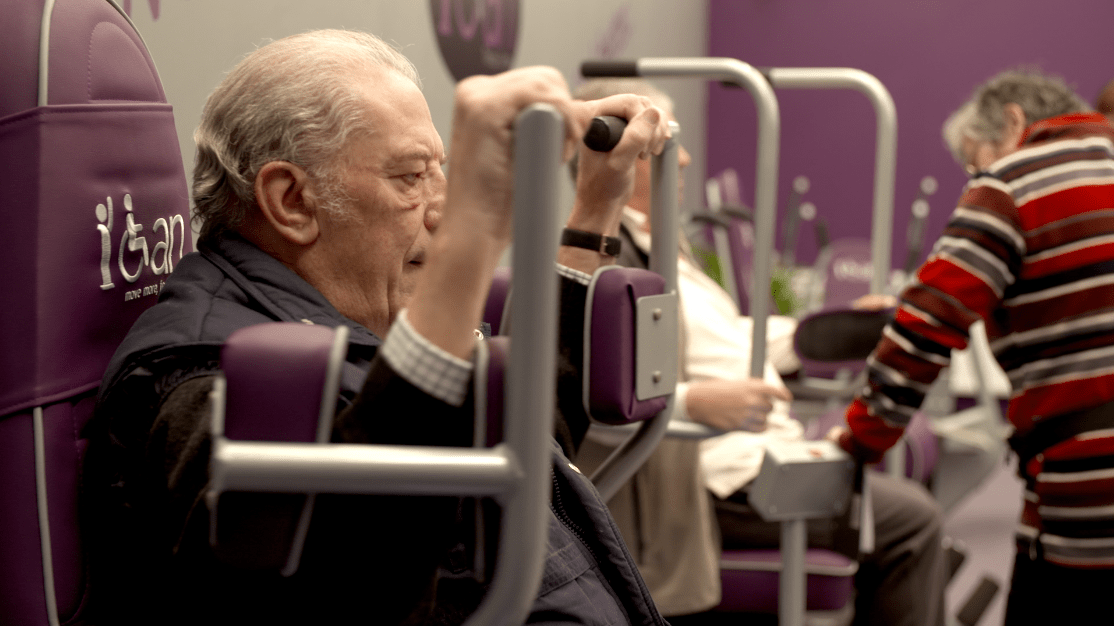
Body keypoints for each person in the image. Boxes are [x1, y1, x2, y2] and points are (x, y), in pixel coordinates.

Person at [83, 29, 675, 626]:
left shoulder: (345, 320)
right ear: (291, 201)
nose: (442, 210)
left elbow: (516, 460)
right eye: (411, 177)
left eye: (443, 172)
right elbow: (339, 595)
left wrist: (595, 211)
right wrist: (473, 238)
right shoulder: (214, 379)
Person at [573, 78, 947, 626]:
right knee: (912, 519)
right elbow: (596, 388)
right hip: (719, 481)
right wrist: (695, 403)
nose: (686, 159)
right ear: (621, 158)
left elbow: (724, 335)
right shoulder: (612, 262)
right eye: (667, 141)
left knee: (897, 491)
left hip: (754, 452)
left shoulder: (662, 249)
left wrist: (833, 332)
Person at [836, 69, 1114, 625]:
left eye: (974, 159)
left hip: (1089, 485)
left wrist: (860, 439)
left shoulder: (1010, 186)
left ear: (1013, 120)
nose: (973, 175)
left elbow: (926, 328)